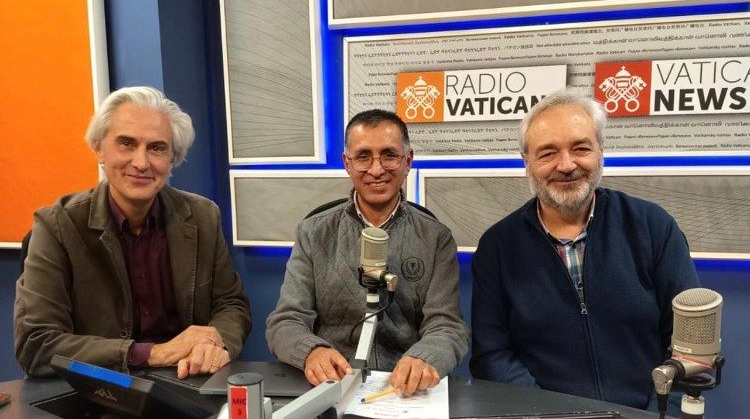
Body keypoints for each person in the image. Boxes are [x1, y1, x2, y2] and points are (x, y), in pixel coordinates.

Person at [470, 89, 700, 410]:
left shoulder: (653, 226)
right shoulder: (497, 246)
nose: (566, 165)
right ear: (527, 162)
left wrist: (660, 413)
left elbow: (691, 345)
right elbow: (492, 357)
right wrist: (549, 416)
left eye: (580, 148)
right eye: (547, 153)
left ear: (601, 151)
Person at [14, 86, 251, 378]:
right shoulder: (57, 226)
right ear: (99, 149)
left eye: (157, 148)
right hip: (97, 391)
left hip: (186, 381)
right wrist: (152, 354)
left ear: (172, 158)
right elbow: (36, 344)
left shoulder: (203, 216)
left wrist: (214, 343)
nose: (141, 163)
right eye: (126, 143)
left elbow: (231, 305)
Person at [266, 109, 469, 396]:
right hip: (331, 385)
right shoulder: (313, 232)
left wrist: (427, 357)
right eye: (363, 157)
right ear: (347, 163)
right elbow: (285, 321)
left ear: (408, 161)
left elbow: (447, 325)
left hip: (401, 391)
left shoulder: (436, 238)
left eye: (389, 155)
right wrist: (311, 352)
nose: (376, 169)